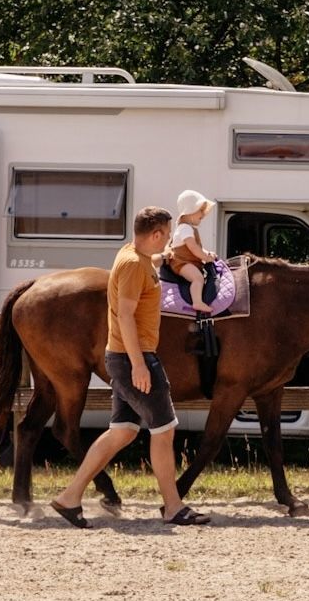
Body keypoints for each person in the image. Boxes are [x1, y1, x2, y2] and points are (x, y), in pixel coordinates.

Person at [47, 206, 211, 528]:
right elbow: (125, 316)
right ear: (156, 234)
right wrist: (139, 365)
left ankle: (69, 498)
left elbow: (148, 263)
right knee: (164, 430)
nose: (167, 242)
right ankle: (173, 507)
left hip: (121, 357)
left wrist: (165, 259)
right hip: (133, 359)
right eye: (165, 236)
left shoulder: (131, 254)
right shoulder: (135, 266)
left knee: (122, 432)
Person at [167, 190, 218, 313]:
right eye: (200, 210)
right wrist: (206, 257)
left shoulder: (188, 229)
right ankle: (197, 302)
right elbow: (193, 248)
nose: (203, 214)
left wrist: (207, 253)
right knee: (198, 278)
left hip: (187, 262)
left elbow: (197, 248)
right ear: (190, 211)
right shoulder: (185, 228)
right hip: (182, 263)